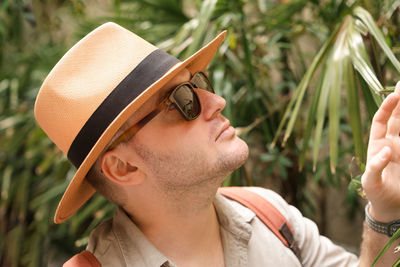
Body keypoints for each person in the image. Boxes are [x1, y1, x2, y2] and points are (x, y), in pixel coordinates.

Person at [34, 22, 400, 266]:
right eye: (179, 101)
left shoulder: (271, 216)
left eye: (198, 83)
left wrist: (383, 209)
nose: (215, 101)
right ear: (123, 167)